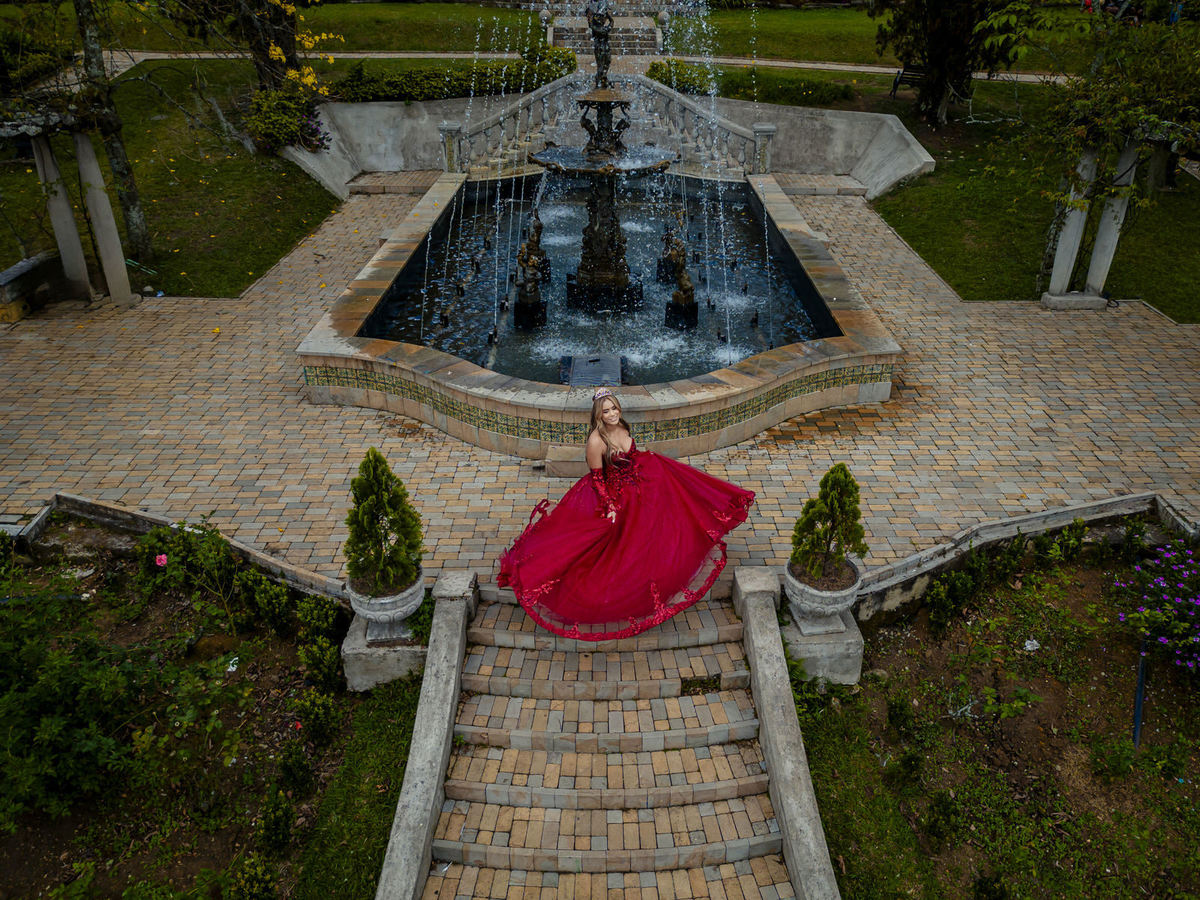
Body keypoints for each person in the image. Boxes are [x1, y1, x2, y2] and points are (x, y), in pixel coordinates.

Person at [497, 388, 755, 640]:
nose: (612, 414)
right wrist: (610, 506)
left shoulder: (623, 427)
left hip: (637, 483)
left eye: (614, 409)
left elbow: (631, 455)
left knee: (672, 503)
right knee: (605, 546)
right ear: (598, 415)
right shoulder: (596, 441)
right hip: (611, 494)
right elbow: (597, 478)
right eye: (606, 411)